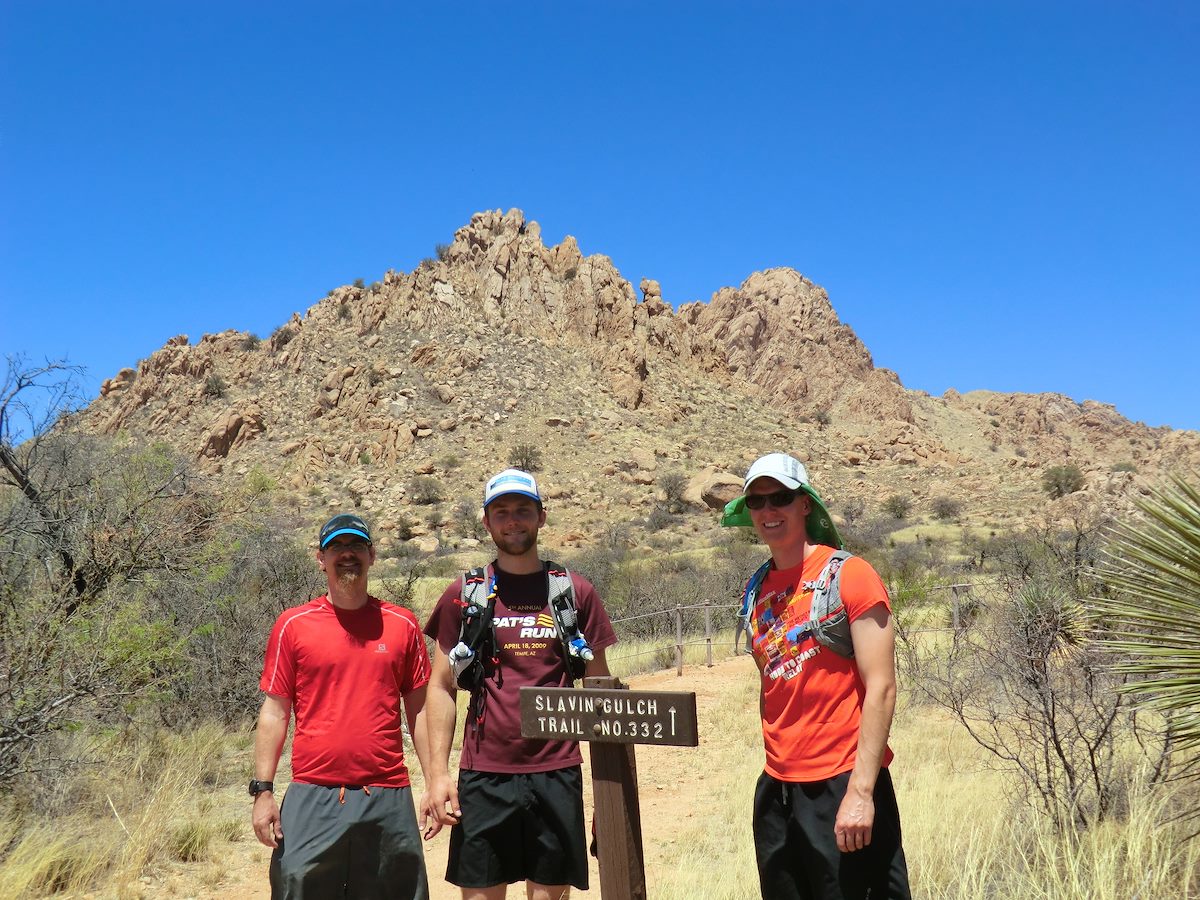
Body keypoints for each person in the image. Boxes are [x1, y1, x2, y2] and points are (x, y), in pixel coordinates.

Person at [422, 468, 617, 900]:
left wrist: (606, 792)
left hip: (557, 771)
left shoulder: (574, 592)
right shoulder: (466, 594)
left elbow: (601, 693)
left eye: (523, 510)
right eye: (502, 512)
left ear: (541, 517)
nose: (514, 521)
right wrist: (438, 775)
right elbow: (440, 688)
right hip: (483, 774)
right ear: (487, 522)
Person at [724, 453, 911, 900]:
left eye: (781, 498)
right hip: (778, 786)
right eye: (758, 501)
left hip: (842, 781)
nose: (769, 511)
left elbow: (882, 687)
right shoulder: (756, 588)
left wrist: (862, 793)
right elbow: (772, 684)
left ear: (805, 504)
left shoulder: (850, 576)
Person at [251, 513, 437, 900]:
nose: (347, 554)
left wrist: (436, 780)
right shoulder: (293, 624)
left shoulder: (401, 624)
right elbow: (275, 712)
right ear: (321, 558)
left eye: (355, 546)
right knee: (296, 886)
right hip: (313, 792)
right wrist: (263, 791)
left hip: (387, 794)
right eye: (337, 547)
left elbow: (420, 711)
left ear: (371, 554)